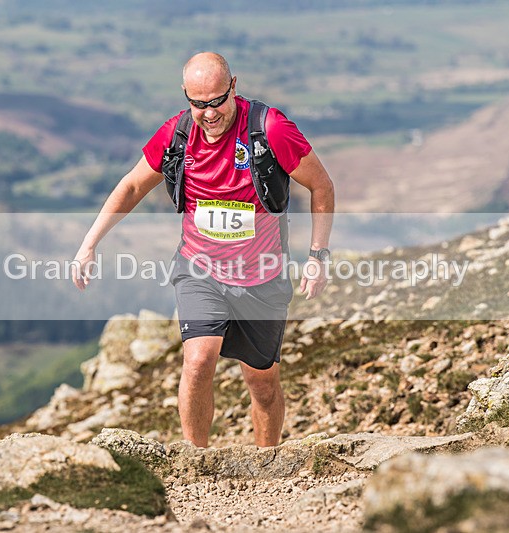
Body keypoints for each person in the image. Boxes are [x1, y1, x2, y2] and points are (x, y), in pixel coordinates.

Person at [72, 52, 334, 448]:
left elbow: (322, 186)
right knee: (197, 363)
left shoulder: (270, 129)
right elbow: (130, 187)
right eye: (198, 104)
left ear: (234, 87)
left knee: (262, 384)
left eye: (217, 101)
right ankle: (197, 462)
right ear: (185, 96)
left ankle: (267, 462)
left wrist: (317, 257)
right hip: (200, 271)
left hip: (262, 276)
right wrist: (89, 244)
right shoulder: (177, 134)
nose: (209, 113)